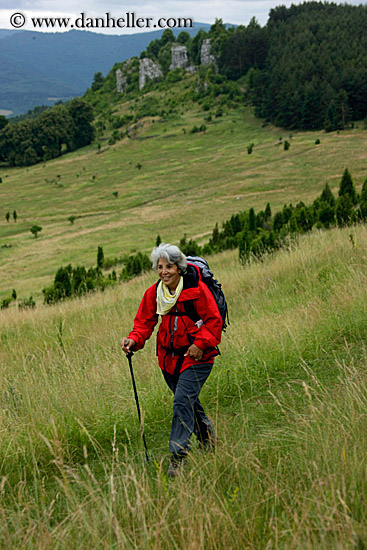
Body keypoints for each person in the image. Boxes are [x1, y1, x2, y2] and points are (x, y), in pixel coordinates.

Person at [121, 243, 222, 477]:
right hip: (168, 359)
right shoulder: (154, 293)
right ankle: (208, 437)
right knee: (186, 401)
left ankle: (178, 458)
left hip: (197, 358)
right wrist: (134, 341)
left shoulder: (196, 291)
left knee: (181, 401)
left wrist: (199, 344)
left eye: (169, 266)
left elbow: (214, 321)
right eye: (160, 267)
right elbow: (144, 323)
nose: (164, 271)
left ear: (179, 268)